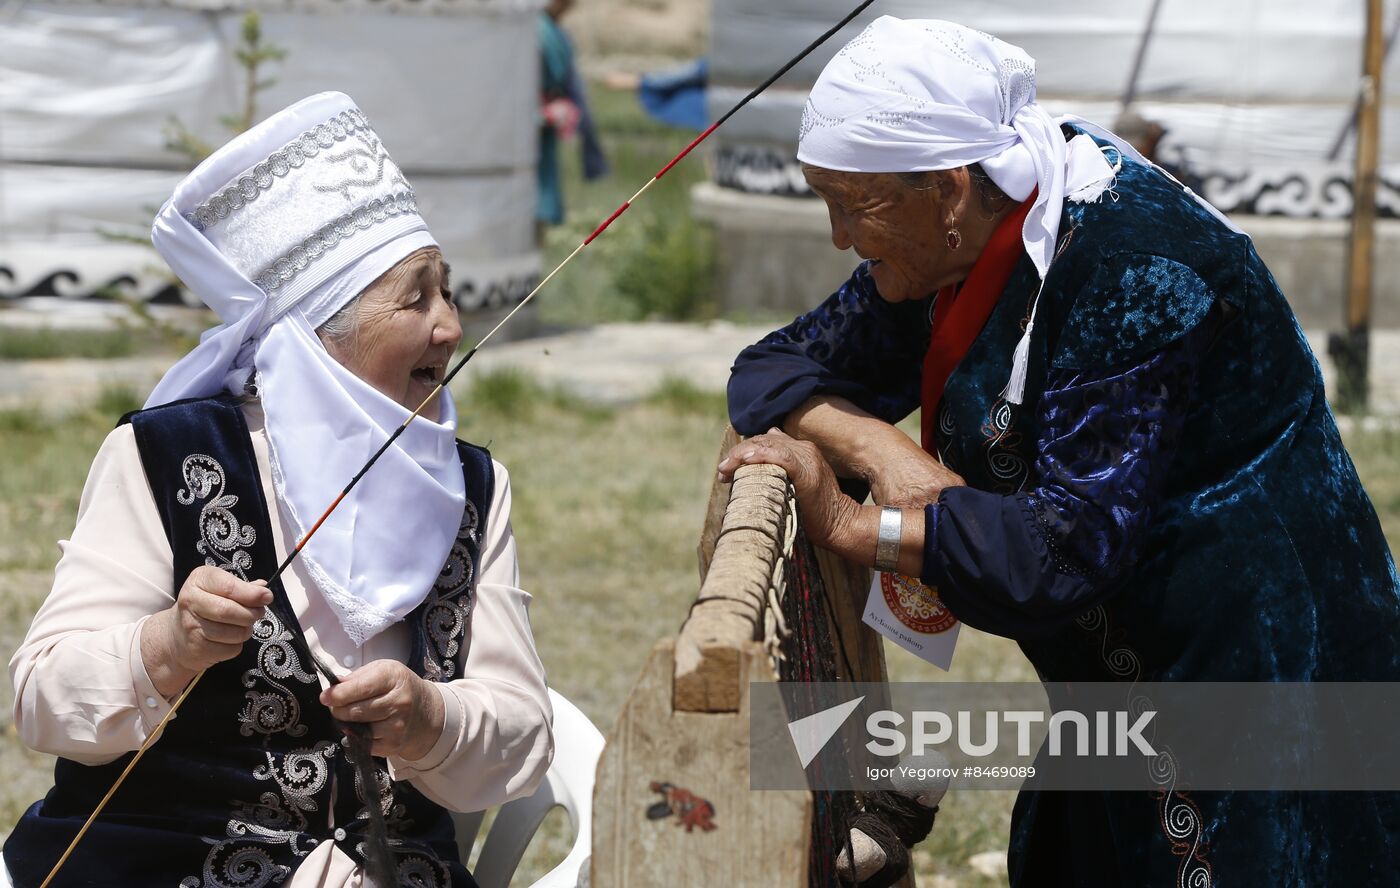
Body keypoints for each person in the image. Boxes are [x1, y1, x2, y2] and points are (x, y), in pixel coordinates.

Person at [720, 17, 1400, 888]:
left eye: (855, 204)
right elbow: (767, 372)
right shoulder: (958, 242)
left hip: (1249, 664)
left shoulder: (1137, 271)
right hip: (1112, 681)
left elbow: (1064, 549)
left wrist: (857, 525)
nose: (840, 237)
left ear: (951, 188)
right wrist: (875, 444)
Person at [3, 92, 553, 888]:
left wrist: (431, 717)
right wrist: (168, 645)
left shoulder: (475, 486)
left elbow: (522, 732)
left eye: (449, 290)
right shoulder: (167, 456)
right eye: (416, 296)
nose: (451, 326)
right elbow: (44, 700)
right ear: (317, 335)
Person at [537, 0, 607, 233]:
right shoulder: (533, 29)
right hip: (529, 134)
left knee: (540, 217)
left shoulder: (553, 31)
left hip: (546, 133)